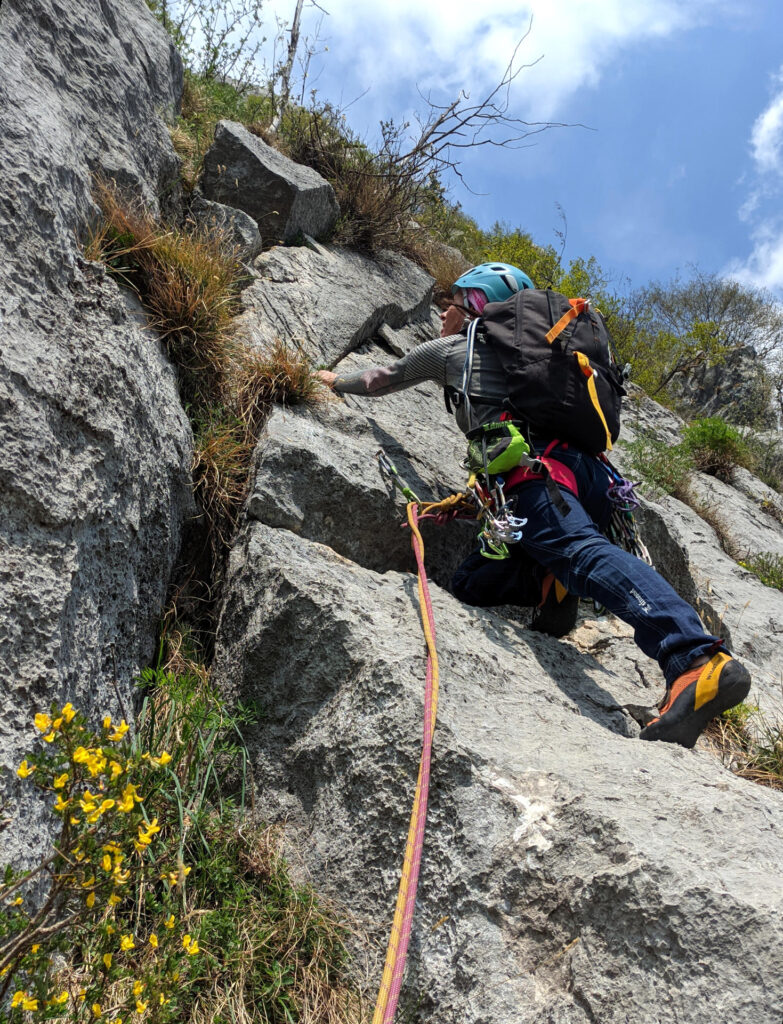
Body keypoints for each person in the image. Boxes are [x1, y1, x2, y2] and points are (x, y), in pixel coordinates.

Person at [316, 262, 751, 748]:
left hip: (538, 474)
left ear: (477, 303)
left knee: (581, 552)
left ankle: (697, 659)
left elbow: (383, 377)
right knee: (470, 583)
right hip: (587, 477)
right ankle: (553, 583)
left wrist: (333, 381)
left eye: (454, 301)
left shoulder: (457, 349)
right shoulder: (541, 360)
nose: (443, 311)